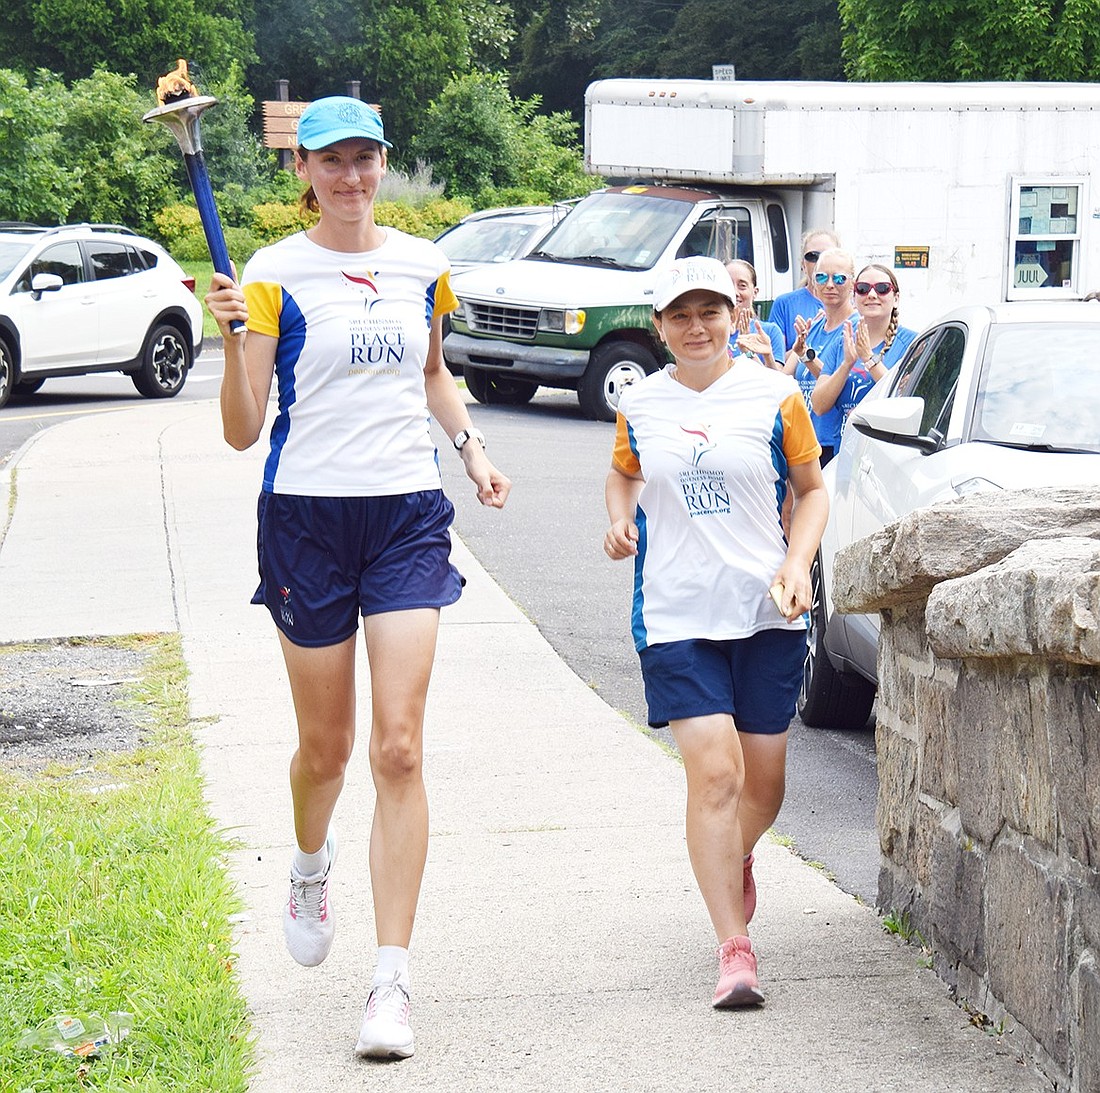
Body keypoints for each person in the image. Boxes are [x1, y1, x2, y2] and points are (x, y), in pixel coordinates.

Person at [203, 96, 511, 1062]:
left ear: (384, 163)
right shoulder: (272, 273)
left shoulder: (425, 263)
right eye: (331, 162)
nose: (350, 177)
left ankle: (390, 982)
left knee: (400, 749)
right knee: (327, 751)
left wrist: (469, 447)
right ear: (303, 173)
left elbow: (431, 373)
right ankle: (307, 861)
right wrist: (228, 342)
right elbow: (244, 428)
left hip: (406, 515)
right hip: (305, 518)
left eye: (365, 160)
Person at [603, 256, 828, 1009]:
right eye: (680, 315)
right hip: (675, 614)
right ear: (660, 324)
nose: (696, 327)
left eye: (710, 312)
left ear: (734, 314)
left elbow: (812, 490)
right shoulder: (640, 402)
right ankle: (734, 949)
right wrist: (617, 515)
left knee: (763, 787)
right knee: (717, 775)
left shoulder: (776, 394)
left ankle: (731, 857)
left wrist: (798, 563)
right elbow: (625, 472)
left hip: (766, 612)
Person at [811, 264, 918, 453]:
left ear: (896, 299)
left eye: (882, 288)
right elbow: (819, 405)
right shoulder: (841, 343)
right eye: (863, 289)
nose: (872, 295)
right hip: (845, 453)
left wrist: (868, 358)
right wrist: (847, 364)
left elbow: (902, 401)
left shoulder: (912, 343)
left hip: (887, 455)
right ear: (854, 297)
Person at [783, 247, 859, 465]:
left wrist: (807, 356)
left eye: (839, 278)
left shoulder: (854, 329)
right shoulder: (814, 326)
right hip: (806, 439)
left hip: (833, 442)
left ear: (852, 283)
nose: (830, 284)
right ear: (813, 282)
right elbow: (785, 377)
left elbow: (837, 383)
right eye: (822, 277)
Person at [767, 228, 839, 351]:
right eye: (812, 256)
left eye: (827, 256)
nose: (820, 261)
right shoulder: (784, 304)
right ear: (803, 265)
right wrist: (806, 339)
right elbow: (775, 363)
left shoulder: (852, 306)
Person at [725, 259, 785, 368]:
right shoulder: (712, 332)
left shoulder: (770, 331)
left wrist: (748, 353)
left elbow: (775, 381)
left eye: (742, 285)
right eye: (728, 284)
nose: (734, 292)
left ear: (755, 292)